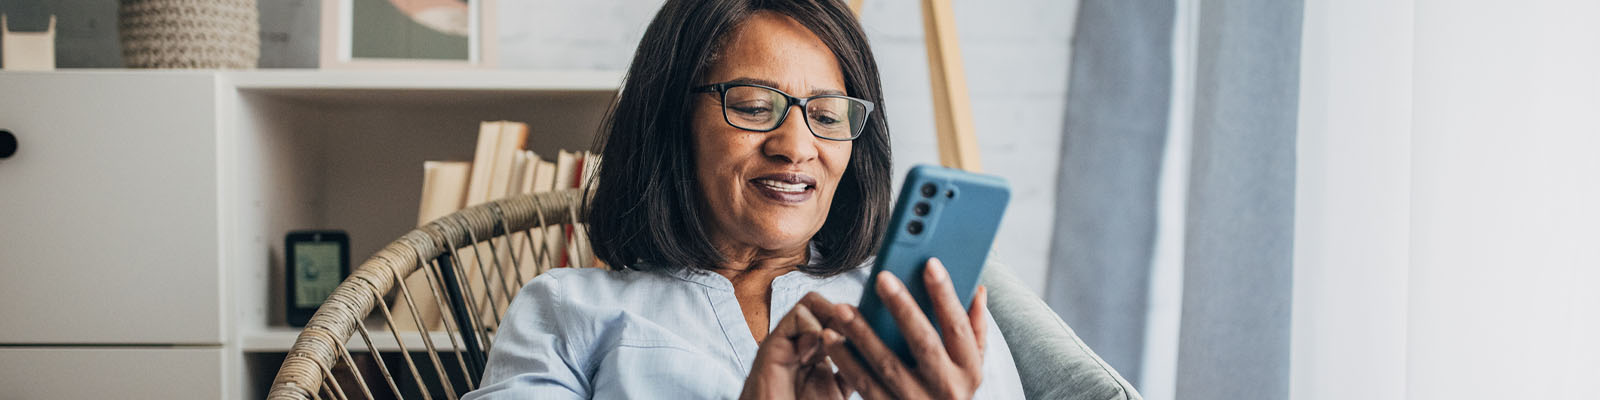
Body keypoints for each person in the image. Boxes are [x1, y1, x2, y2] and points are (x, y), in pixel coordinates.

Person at [465, 0, 1023, 398]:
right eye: (755, 107)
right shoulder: (568, 310)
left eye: (828, 116)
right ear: (671, 120)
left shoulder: (929, 318)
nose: (797, 147)